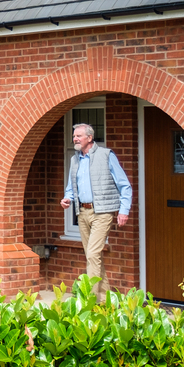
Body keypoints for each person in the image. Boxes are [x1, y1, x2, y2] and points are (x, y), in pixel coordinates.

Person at [59, 123, 132, 297]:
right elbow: (71, 185)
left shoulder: (106, 155)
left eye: (78, 136)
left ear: (89, 138)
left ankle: (89, 300)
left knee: (92, 254)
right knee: (93, 257)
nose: (75, 139)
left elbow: (125, 185)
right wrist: (67, 198)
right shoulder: (74, 159)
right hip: (82, 213)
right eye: (74, 136)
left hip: (102, 212)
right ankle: (106, 302)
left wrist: (124, 210)